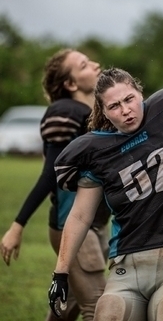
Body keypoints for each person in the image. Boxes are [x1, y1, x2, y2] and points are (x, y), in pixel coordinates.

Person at [47, 0, 163, 321]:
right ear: (104, 112)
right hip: (127, 264)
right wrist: (61, 272)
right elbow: (80, 217)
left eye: (129, 99)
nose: (125, 110)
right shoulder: (96, 150)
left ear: (139, 91)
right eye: (114, 106)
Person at [1, 48, 109, 321]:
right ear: (71, 84)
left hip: (94, 224)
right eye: (84, 65)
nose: (95, 65)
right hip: (72, 224)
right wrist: (18, 224)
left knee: (67, 306)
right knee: (98, 308)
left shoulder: (94, 111)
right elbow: (50, 173)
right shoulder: (65, 112)